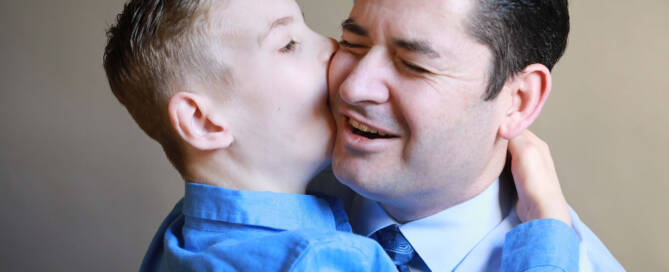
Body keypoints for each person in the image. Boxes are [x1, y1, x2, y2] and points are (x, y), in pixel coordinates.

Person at [103, 0, 580, 271]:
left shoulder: (182, 232)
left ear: (518, 101)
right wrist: (547, 227)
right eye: (289, 43)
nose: (348, 79)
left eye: (413, 64)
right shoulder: (321, 257)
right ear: (205, 122)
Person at [326, 0, 625, 271]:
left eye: (414, 66)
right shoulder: (285, 179)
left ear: (518, 102)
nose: (353, 88)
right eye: (352, 44)